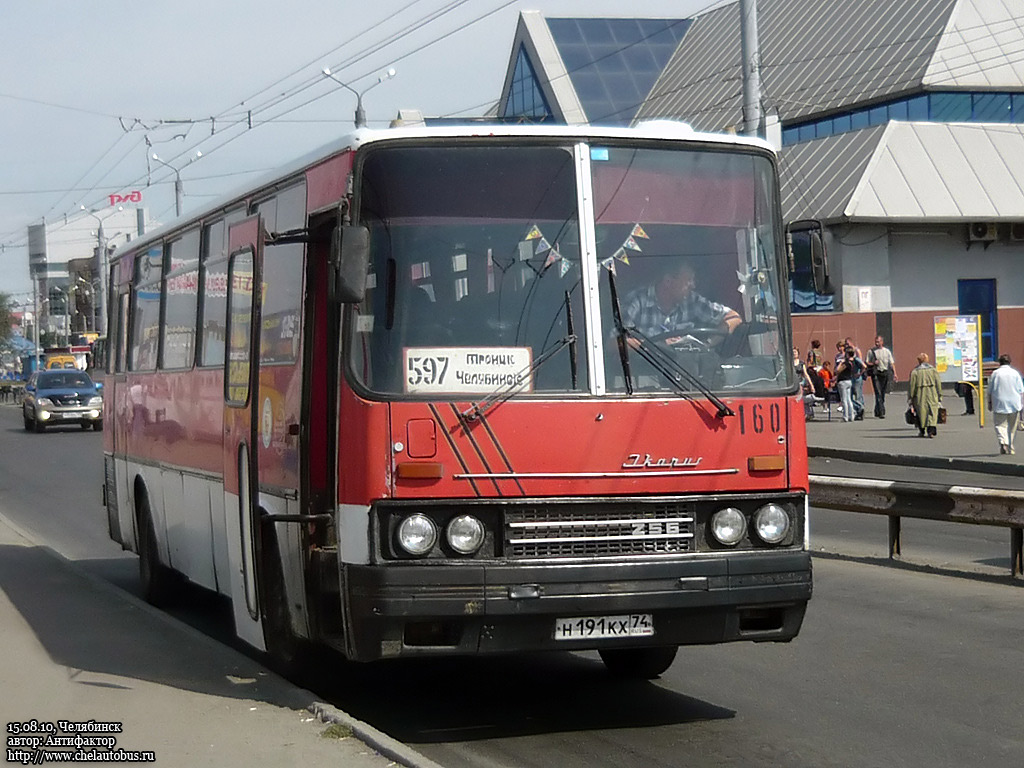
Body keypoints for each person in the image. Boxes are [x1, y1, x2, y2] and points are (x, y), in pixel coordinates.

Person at [621, 260, 741, 348]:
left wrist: (707, 345)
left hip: (688, 378)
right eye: (688, 280)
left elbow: (734, 317)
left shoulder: (692, 301)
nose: (693, 285)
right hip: (645, 376)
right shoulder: (637, 301)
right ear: (668, 281)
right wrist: (658, 344)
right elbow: (615, 344)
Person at [986, 354, 1024, 455]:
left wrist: (989, 403)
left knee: (1000, 425)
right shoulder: (1015, 373)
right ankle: (1010, 446)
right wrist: (1021, 404)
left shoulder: (995, 374)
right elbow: (1021, 390)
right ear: (1010, 362)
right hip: (1014, 403)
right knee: (1012, 427)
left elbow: (989, 390)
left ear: (1000, 362)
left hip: (999, 403)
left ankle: (1003, 442)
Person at [908, 352, 943, 438]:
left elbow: (912, 386)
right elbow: (938, 383)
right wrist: (939, 394)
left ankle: (922, 430)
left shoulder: (915, 371)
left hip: (920, 394)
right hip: (932, 392)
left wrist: (910, 397)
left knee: (921, 412)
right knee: (932, 411)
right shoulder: (933, 370)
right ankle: (931, 430)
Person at [865, 335, 897, 418]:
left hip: (885, 373)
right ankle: (882, 411)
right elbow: (866, 362)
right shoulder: (871, 351)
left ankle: (877, 410)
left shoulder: (886, 351)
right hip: (876, 373)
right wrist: (873, 363)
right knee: (877, 392)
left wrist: (895, 373)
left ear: (882, 342)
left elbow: (891, 363)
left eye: (878, 342)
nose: (877, 343)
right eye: (876, 342)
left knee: (882, 392)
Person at [834, 345, 862, 422]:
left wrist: (840, 363)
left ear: (847, 354)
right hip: (849, 380)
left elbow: (837, 371)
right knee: (849, 399)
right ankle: (852, 415)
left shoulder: (846, 363)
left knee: (844, 400)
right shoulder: (852, 362)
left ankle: (845, 416)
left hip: (842, 381)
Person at [845, 337, 866, 420]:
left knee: (858, 395)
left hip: (857, 378)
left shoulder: (856, 358)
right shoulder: (846, 360)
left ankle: (860, 409)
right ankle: (858, 409)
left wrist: (860, 373)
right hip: (850, 378)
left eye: (847, 343)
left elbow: (864, 366)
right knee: (849, 396)